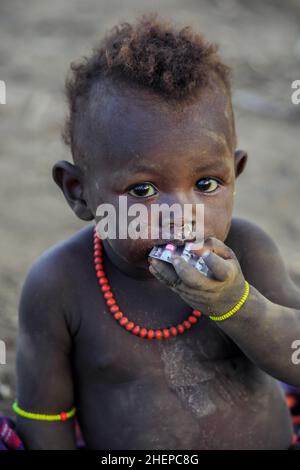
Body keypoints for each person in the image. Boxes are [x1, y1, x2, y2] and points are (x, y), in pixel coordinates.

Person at [5, 13, 300, 449]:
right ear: (79, 192)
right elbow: (43, 419)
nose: (181, 213)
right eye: (142, 190)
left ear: (234, 174)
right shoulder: (59, 286)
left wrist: (236, 305)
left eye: (206, 184)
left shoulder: (249, 251)